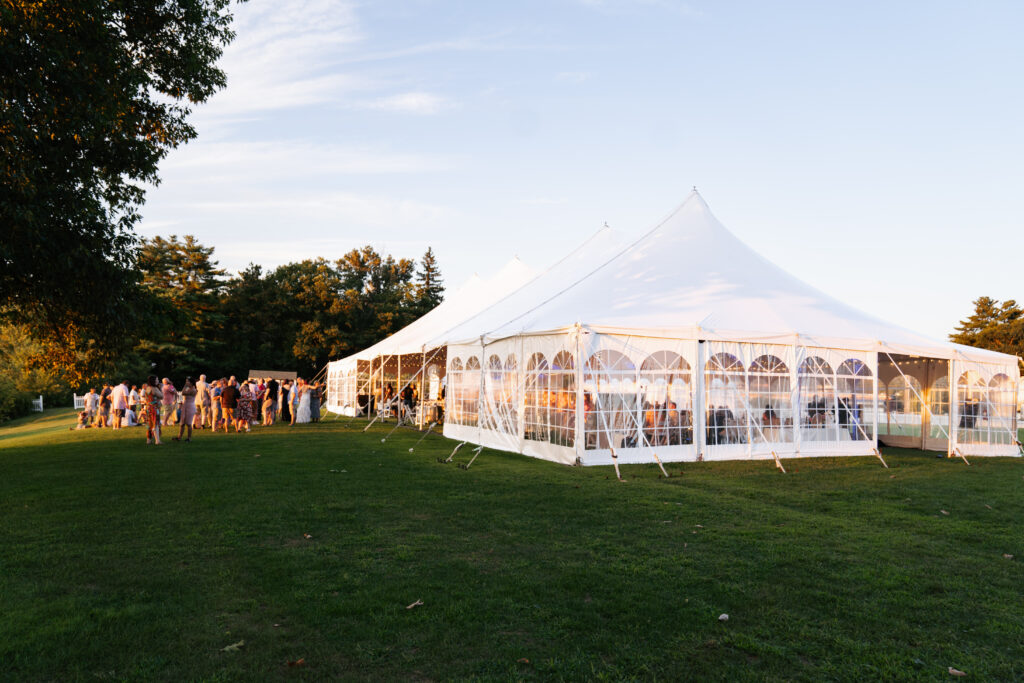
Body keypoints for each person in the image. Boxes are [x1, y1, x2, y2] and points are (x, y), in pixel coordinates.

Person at [174, 377, 198, 442]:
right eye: (186, 382)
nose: (187, 383)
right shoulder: (188, 388)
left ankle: (189, 438)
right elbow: (183, 392)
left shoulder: (193, 389)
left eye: (188, 382)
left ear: (192, 383)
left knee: (188, 423)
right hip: (185, 406)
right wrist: (186, 385)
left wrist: (185, 385)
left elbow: (183, 393)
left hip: (190, 406)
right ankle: (179, 437)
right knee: (182, 423)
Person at [142, 376, 163, 444]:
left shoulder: (148, 388)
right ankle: (157, 440)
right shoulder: (154, 388)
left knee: (149, 423)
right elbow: (161, 396)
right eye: (157, 379)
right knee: (155, 423)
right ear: (153, 381)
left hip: (148, 408)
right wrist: (161, 389)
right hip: (154, 408)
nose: (158, 380)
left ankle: (149, 440)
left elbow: (147, 397)